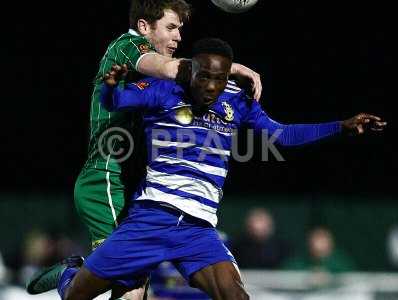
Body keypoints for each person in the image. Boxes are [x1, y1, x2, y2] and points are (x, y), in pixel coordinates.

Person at [40, 37, 385, 300]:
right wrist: (111, 87)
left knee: (237, 297)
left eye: (218, 78)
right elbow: (116, 101)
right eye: (203, 76)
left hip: (198, 232)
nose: (209, 85)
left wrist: (341, 125)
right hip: (150, 219)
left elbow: (283, 135)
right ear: (191, 70)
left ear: (226, 79)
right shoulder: (163, 90)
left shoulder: (237, 99)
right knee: (76, 296)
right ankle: (71, 271)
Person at [26, 1, 262, 299]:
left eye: (180, 29)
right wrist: (230, 67)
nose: (178, 37)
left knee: (135, 291)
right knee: (130, 291)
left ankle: (78, 272)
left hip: (138, 187)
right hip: (107, 179)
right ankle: (70, 275)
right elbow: (168, 68)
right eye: (171, 27)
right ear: (143, 26)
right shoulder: (127, 46)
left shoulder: (160, 80)